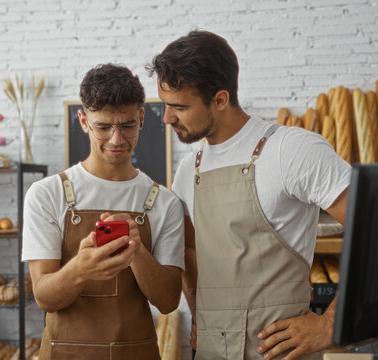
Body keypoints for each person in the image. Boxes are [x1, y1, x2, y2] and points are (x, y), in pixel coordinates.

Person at [147, 30, 350, 360]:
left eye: (179, 107)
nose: (167, 117)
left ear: (221, 99)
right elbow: (189, 247)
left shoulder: (292, 150)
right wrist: (201, 313)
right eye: (165, 105)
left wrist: (329, 324)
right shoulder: (188, 171)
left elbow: (377, 232)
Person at [22, 64, 185, 360]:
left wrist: (135, 249)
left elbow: (168, 301)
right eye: (103, 127)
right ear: (83, 121)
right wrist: (81, 268)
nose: (116, 139)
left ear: (142, 118)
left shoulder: (164, 203)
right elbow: (44, 296)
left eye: (127, 125)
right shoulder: (47, 194)